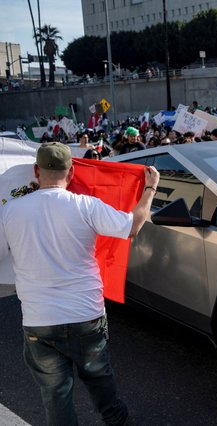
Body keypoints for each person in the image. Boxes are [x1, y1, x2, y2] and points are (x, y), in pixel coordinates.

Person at [0, 142, 160, 425]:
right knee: (99, 377)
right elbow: (132, 226)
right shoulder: (86, 205)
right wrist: (150, 188)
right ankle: (116, 419)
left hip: (39, 319)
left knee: (55, 395)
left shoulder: (9, 211)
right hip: (85, 315)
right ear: (71, 172)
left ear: (36, 171)